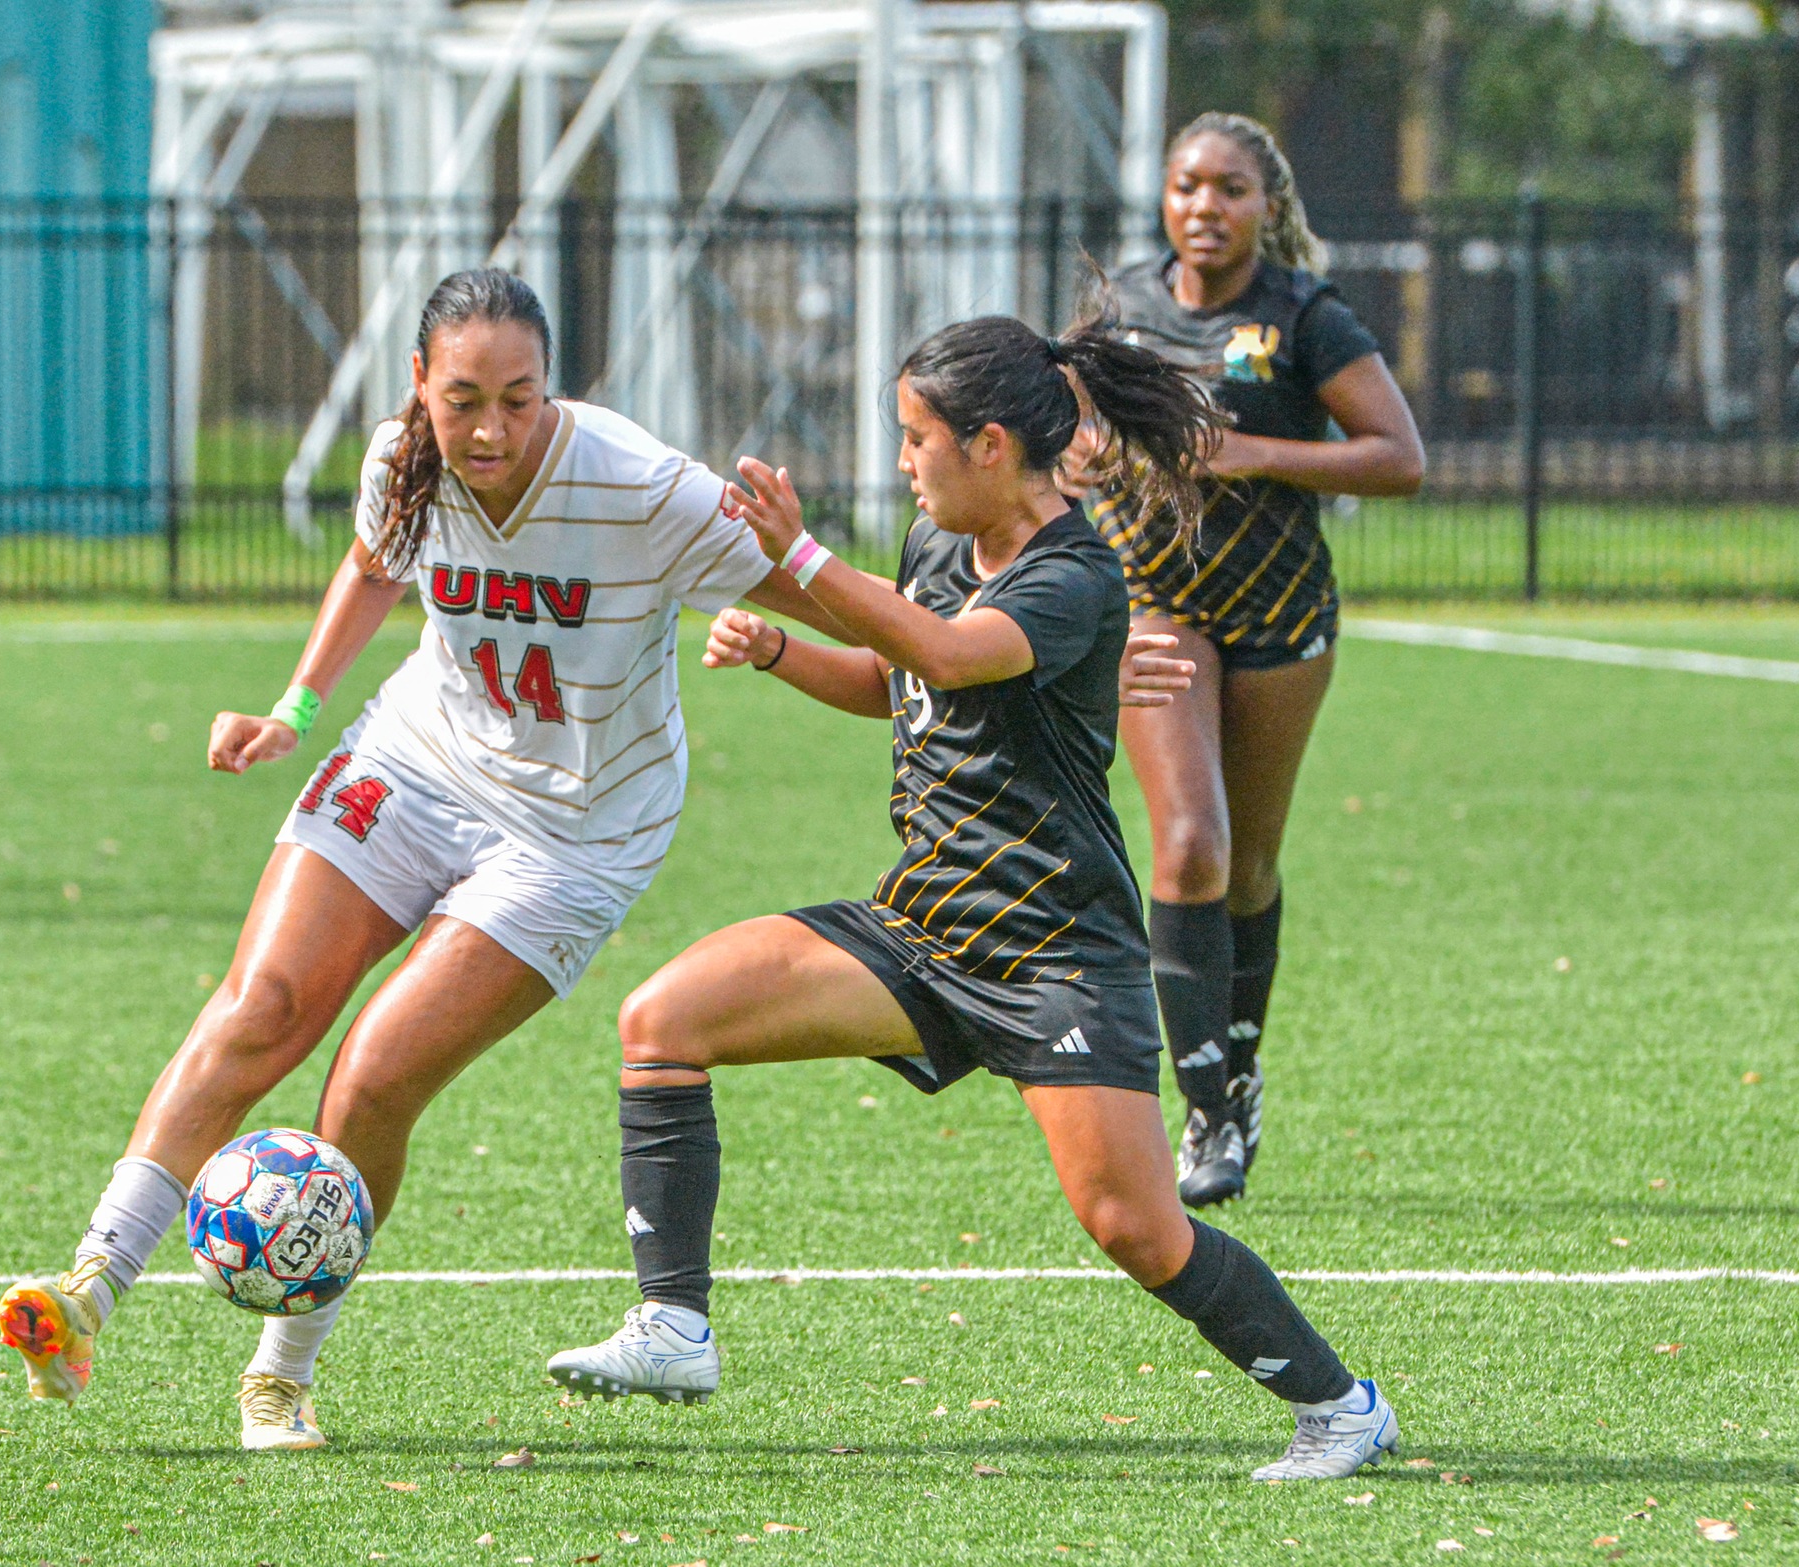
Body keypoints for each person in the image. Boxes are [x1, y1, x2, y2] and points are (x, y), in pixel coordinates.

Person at [0, 268, 855, 1452]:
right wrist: (291, 710)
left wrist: (889, 604)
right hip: (411, 762)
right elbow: (372, 565)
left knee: (374, 1075)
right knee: (261, 1007)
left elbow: (840, 607)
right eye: (463, 400)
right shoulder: (401, 456)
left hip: (576, 833)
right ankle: (89, 1288)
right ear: (420, 384)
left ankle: (279, 1377)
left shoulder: (642, 487)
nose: (489, 429)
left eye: (517, 398)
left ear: (550, 388)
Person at [546, 311, 1401, 1482]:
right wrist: (784, 652)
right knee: (663, 1019)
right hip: (918, 928)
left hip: (1054, 952)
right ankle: (674, 1327)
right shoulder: (939, 541)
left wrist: (798, 561)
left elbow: (952, 658)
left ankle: (1342, 1404)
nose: (903, 461)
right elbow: (901, 677)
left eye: (916, 438)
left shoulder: (1073, 573)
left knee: (1135, 1228)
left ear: (990, 443)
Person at [1082, 113, 1425, 1207]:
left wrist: (1247, 454)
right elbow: (1060, 432)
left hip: (1278, 612)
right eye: (1186, 186)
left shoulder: (1301, 316)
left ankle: (1238, 1063)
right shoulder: (1120, 309)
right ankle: (1206, 1110)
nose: (1204, 207)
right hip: (1155, 600)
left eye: (1229, 189)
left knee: (1250, 865)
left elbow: (1397, 457)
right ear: (1164, 198)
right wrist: (1086, 446)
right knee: (1187, 846)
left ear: (1264, 206)